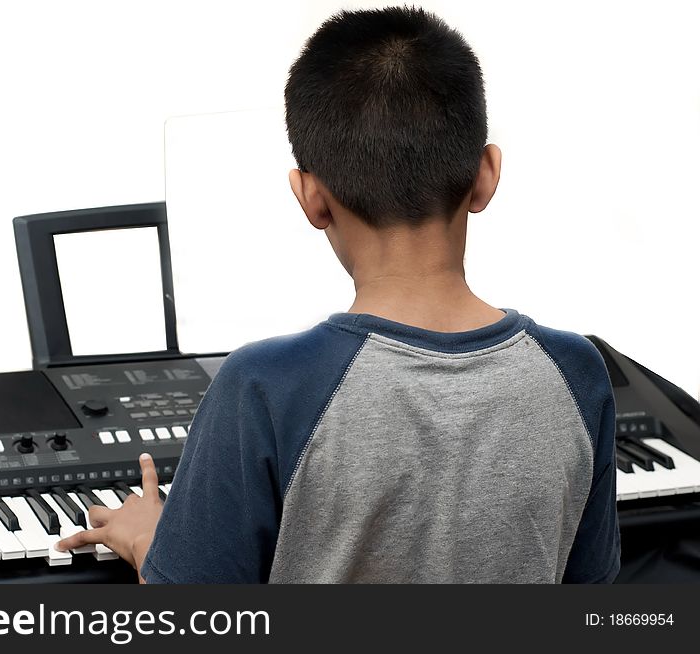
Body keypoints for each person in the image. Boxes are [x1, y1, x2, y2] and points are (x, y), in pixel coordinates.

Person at [56, 5, 619, 583]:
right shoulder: (578, 372)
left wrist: (148, 536)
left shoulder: (264, 385)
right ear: (486, 175)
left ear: (310, 197)